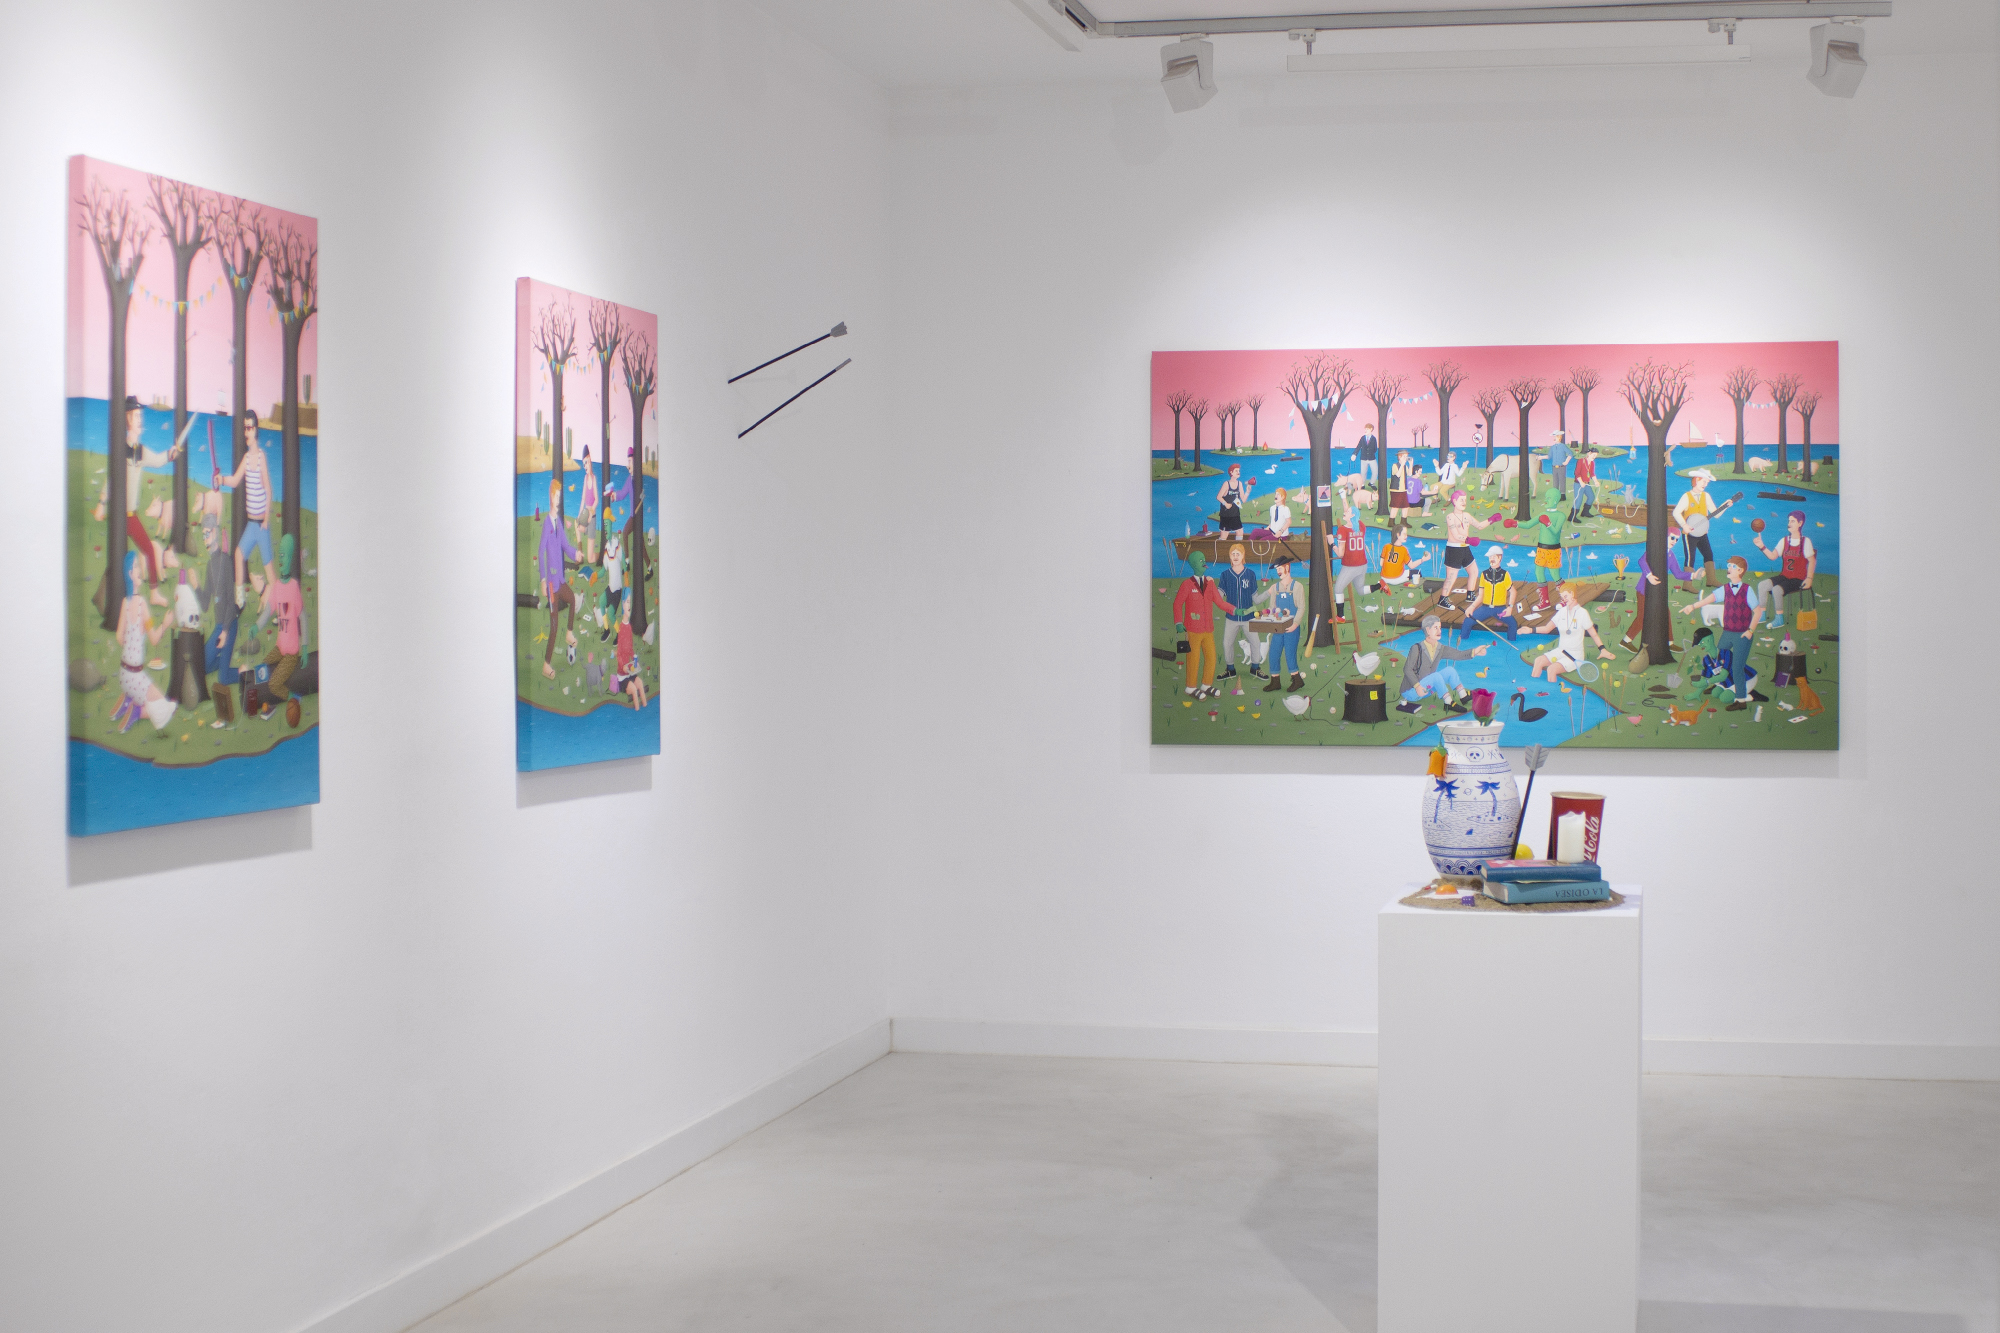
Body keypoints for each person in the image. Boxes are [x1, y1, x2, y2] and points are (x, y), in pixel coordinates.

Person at [96, 396, 183, 607]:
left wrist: (171, 454)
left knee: (149, 550)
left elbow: (159, 460)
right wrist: (101, 503)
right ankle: (106, 599)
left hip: (131, 516)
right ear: (127, 420)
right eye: (136, 416)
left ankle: (154, 594)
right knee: (118, 559)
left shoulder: (141, 451)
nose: (140, 420)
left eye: (141, 416)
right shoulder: (120, 450)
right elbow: (111, 479)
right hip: (118, 516)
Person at [1684, 555, 1764, 710]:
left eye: (1733, 566)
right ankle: (1719, 684)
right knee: (1718, 659)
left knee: (1737, 667)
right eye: (1729, 566)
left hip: (1742, 634)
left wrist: (1750, 631)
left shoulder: (1747, 590)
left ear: (1740, 570)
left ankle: (1741, 700)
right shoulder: (1725, 589)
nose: (1729, 568)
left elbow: (1758, 611)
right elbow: (1709, 599)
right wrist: (1693, 606)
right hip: (1727, 632)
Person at [109, 552, 176, 734]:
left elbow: (119, 636)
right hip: (136, 676)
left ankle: (128, 699)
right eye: (136, 566)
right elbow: (154, 639)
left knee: (158, 701)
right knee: (166, 708)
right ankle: (136, 711)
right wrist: (165, 624)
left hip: (124, 673)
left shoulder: (125, 602)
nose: (140, 569)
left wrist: (131, 643)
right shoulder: (141, 605)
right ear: (130, 574)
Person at [219, 407, 275, 607]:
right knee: (238, 554)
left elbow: (268, 489)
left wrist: (266, 519)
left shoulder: (261, 457)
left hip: (262, 525)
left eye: (249, 428)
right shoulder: (246, 458)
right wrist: (221, 479)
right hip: (251, 524)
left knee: (270, 573)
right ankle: (240, 601)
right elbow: (235, 480)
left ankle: (281, 611)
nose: (246, 432)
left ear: (256, 430)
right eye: (245, 428)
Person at [252, 534, 306, 716]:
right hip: (279, 648)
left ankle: (294, 698)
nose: (281, 559)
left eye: (284, 555)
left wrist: (305, 647)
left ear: (290, 558)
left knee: (275, 684)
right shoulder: (276, 587)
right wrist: (256, 627)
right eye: (279, 555)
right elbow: (268, 611)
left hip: (291, 653)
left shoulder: (294, 586)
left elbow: (303, 617)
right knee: (262, 670)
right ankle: (268, 703)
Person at [1172, 550, 1236, 701]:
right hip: (1193, 630)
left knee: (1211, 658)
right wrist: (1179, 622)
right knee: (1193, 659)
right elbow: (1177, 604)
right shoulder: (1187, 584)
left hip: (1208, 629)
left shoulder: (1210, 584)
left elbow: (1220, 603)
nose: (1204, 562)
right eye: (1200, 560)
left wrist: (1235, 610)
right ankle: (1190, 687)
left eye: (1204, 559)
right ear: (1194, 564)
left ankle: (1206, 685)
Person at [1395, 614, 1486, 715]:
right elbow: (1407, 669)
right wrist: (1417, 686)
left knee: (1450, 670)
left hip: (1427, 689)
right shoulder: (1416, 648)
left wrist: (1475, 651)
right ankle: (1448, 703)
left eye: (1440, 627)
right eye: (1436, 628)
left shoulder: (1440, 648)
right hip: (1411, 692)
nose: (1439, 631)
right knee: (1435, 676)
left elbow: (1458, 654)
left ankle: (1463, 695)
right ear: (1428, 630)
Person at [538, 478, 582, 679]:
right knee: (554, 626)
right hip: (551, 585)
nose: (558, 500)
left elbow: (565, 545)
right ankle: (546, 665)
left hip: (561, 582)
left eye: (560, 497)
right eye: (556, 496)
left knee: (572, 599)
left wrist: (576, 554)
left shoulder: (559, 523)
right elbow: (541, 552)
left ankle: (569, 632)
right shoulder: (547, 523)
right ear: (550, 497)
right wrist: (542, 579)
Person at [1751, 509, 1815, 628]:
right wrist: (1761, 546)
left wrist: (1809, 578)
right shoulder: (1784, 540)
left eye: (1793, 521)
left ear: (1800, 523)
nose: (1789, 523)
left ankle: (1779, 619)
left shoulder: (1805, 542)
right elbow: (1772, 556)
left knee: (1776, 589)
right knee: (1762, 585)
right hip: (1785, 576)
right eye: (1789, 521)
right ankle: (1762, 615)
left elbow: (1812, 561)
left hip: (1798, 579)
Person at [1253, 554, 1307, 693]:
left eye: (1280, 568)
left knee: (1290, 654)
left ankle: (1297, 679)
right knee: (1274, 653)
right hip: (1278, 627)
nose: (1278, 572)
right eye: (1277, 569)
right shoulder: (1275, 587)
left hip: (1291, 627)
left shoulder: (1297, 586)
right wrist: (1268, 616)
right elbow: (1272, 607)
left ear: (1287, 567)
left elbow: (1301, 607)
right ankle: (1275, 681)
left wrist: (1295, 624)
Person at [1532, 583, 1605, 682]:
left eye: (1565, 596)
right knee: (1538, 661)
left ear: (1572, 594)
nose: (1564, 599)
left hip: (1575, 656)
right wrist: (1530, 630)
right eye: (1562, 597)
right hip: (1560, 651)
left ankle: (1553, 690)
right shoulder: (1562, 611)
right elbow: (1547, 628)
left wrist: (1602, 649)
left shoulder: (1582, 613)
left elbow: (1593, 634)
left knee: (1551, 669)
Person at [1215, 544, 1265, 682]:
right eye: (1233, 554)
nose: (1236, 556)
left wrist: (1269, 592)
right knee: (1227, 643)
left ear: (1243, 556)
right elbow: (1218, 597)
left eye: (1238, 554)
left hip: (1248, 616)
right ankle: (1230, 669)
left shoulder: (1250, 574)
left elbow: (1256, 598)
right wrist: (1209, 588)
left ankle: (1255, 667)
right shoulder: (1225, 575)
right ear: (1230, 556)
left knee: (1255, 642)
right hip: (1231, 617)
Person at [1436, 489, 1495, 605]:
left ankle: (1470, 594)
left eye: (1465, 500)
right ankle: (1442, 599)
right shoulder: (1450, 517)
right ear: (1454, 501)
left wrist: (1491, 519)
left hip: (1465, 548)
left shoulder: (1467, 515)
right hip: (1454, 549)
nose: (1464, 502)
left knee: (1474, 571)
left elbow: (1479, 526)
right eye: (1461, 500)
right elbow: (1455, 535)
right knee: (1451, 576)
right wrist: (1469, 540)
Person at [1328, 488, 1371, 622]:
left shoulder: (1342, 530)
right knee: (1361, 590)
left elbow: (1340, 554)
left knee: (1338, 589)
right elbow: (1351, 512)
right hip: (1362, 564)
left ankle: (1340, 616)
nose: (1344, 512)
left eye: (1347, 512)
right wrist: (1343, 498)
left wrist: (1332, 543)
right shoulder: (1361, 526)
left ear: (1351, 515)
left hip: (1351, 566)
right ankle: (1380, 585)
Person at [1671, 468, 1720, 586]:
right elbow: (1676, 512)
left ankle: (1711, 580)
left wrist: (1725, 505)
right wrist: (1684, 525)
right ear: (1696, 480)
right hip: (1689, 534)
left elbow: (1716, 514)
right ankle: (1687, 585)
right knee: (1690, 558)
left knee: (1708, 554)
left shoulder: (1706, 496)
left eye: (1707, 482)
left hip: (1702, 533)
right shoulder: (1687, 496)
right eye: (1704, 481)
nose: (1705, 484)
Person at [1466, 543, 1519, 641]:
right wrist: (1471, 607)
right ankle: (1463, 643)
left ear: (1500, 558)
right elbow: (1480, 596)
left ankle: (1511, 644)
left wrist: (1510, 608)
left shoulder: (1505, 574)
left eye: (1494, 556)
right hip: (1485, 608)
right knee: (1467, 622)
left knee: (1513, 624)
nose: (1491, 559)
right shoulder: (1484, 574)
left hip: (1500, 609)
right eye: (1490, 557)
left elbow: (1513, 592)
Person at [613, 595, 647, 709]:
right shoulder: (622, 628)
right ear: (623, 604)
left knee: (640, 684)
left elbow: (630, 649)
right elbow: (619, 652)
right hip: (622, 676)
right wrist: (623, 666)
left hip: (630, 672)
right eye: (627, 602)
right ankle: (637, 711)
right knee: (633, 689)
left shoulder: (629, 627)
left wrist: (634, 660)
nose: (629, 605)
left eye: (630, 602)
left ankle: (645, 709)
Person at [1377, 523, 1424, 590]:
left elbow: (1381, 564)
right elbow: (1412, 566)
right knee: (1417, 572)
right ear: (1398, 535)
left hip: (1384, 578)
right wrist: (1422, 559)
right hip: (1396, 579)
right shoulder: (1403, 549)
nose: (1406, 536)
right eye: (1404, 534)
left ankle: (1382, 583)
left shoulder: (1386, 546)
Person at [1216, 464, 1251, 540]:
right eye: (1236, 471)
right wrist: (1226, 504)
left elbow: (1243, 500)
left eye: (1239, 471)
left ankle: (1238, 546)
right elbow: (1218, 497)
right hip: (1226, 515)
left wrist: (1247, 492)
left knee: (1240, 531)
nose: (1238, 472)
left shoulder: (1239, 484)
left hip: (1235, 514)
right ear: (1231, 472)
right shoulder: (1226, 484)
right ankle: (1220, 547)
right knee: (1224, 535)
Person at [1569, 444, 1598, 520]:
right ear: (1589, 453)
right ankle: (1572, 517)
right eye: (1593, 455)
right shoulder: (1581, 461)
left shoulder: (1592, 463)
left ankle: (1585, 512)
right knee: (1578, 500)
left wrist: (1596, 481)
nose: (1594, 457)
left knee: (1591, 497)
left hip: (1586, 484)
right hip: (1578, 484)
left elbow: (1592, 473)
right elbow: (1577, 473)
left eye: (1595, 456)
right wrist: (1581, 482)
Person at [1545, 430, 1571, 502]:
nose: (1554, 438)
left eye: (1555, 437)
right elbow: (1549, 456)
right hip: (1554, 467)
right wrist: (1540, 457)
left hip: (1561, 467)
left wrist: (1566, 461)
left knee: (1562, 480)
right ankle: (1556, 495)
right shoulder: (1553, 447)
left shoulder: (1563, 446)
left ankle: (1562, 495)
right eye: (1554, 437)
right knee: (1555, 481)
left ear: (1559, 438)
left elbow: (1570, 453)